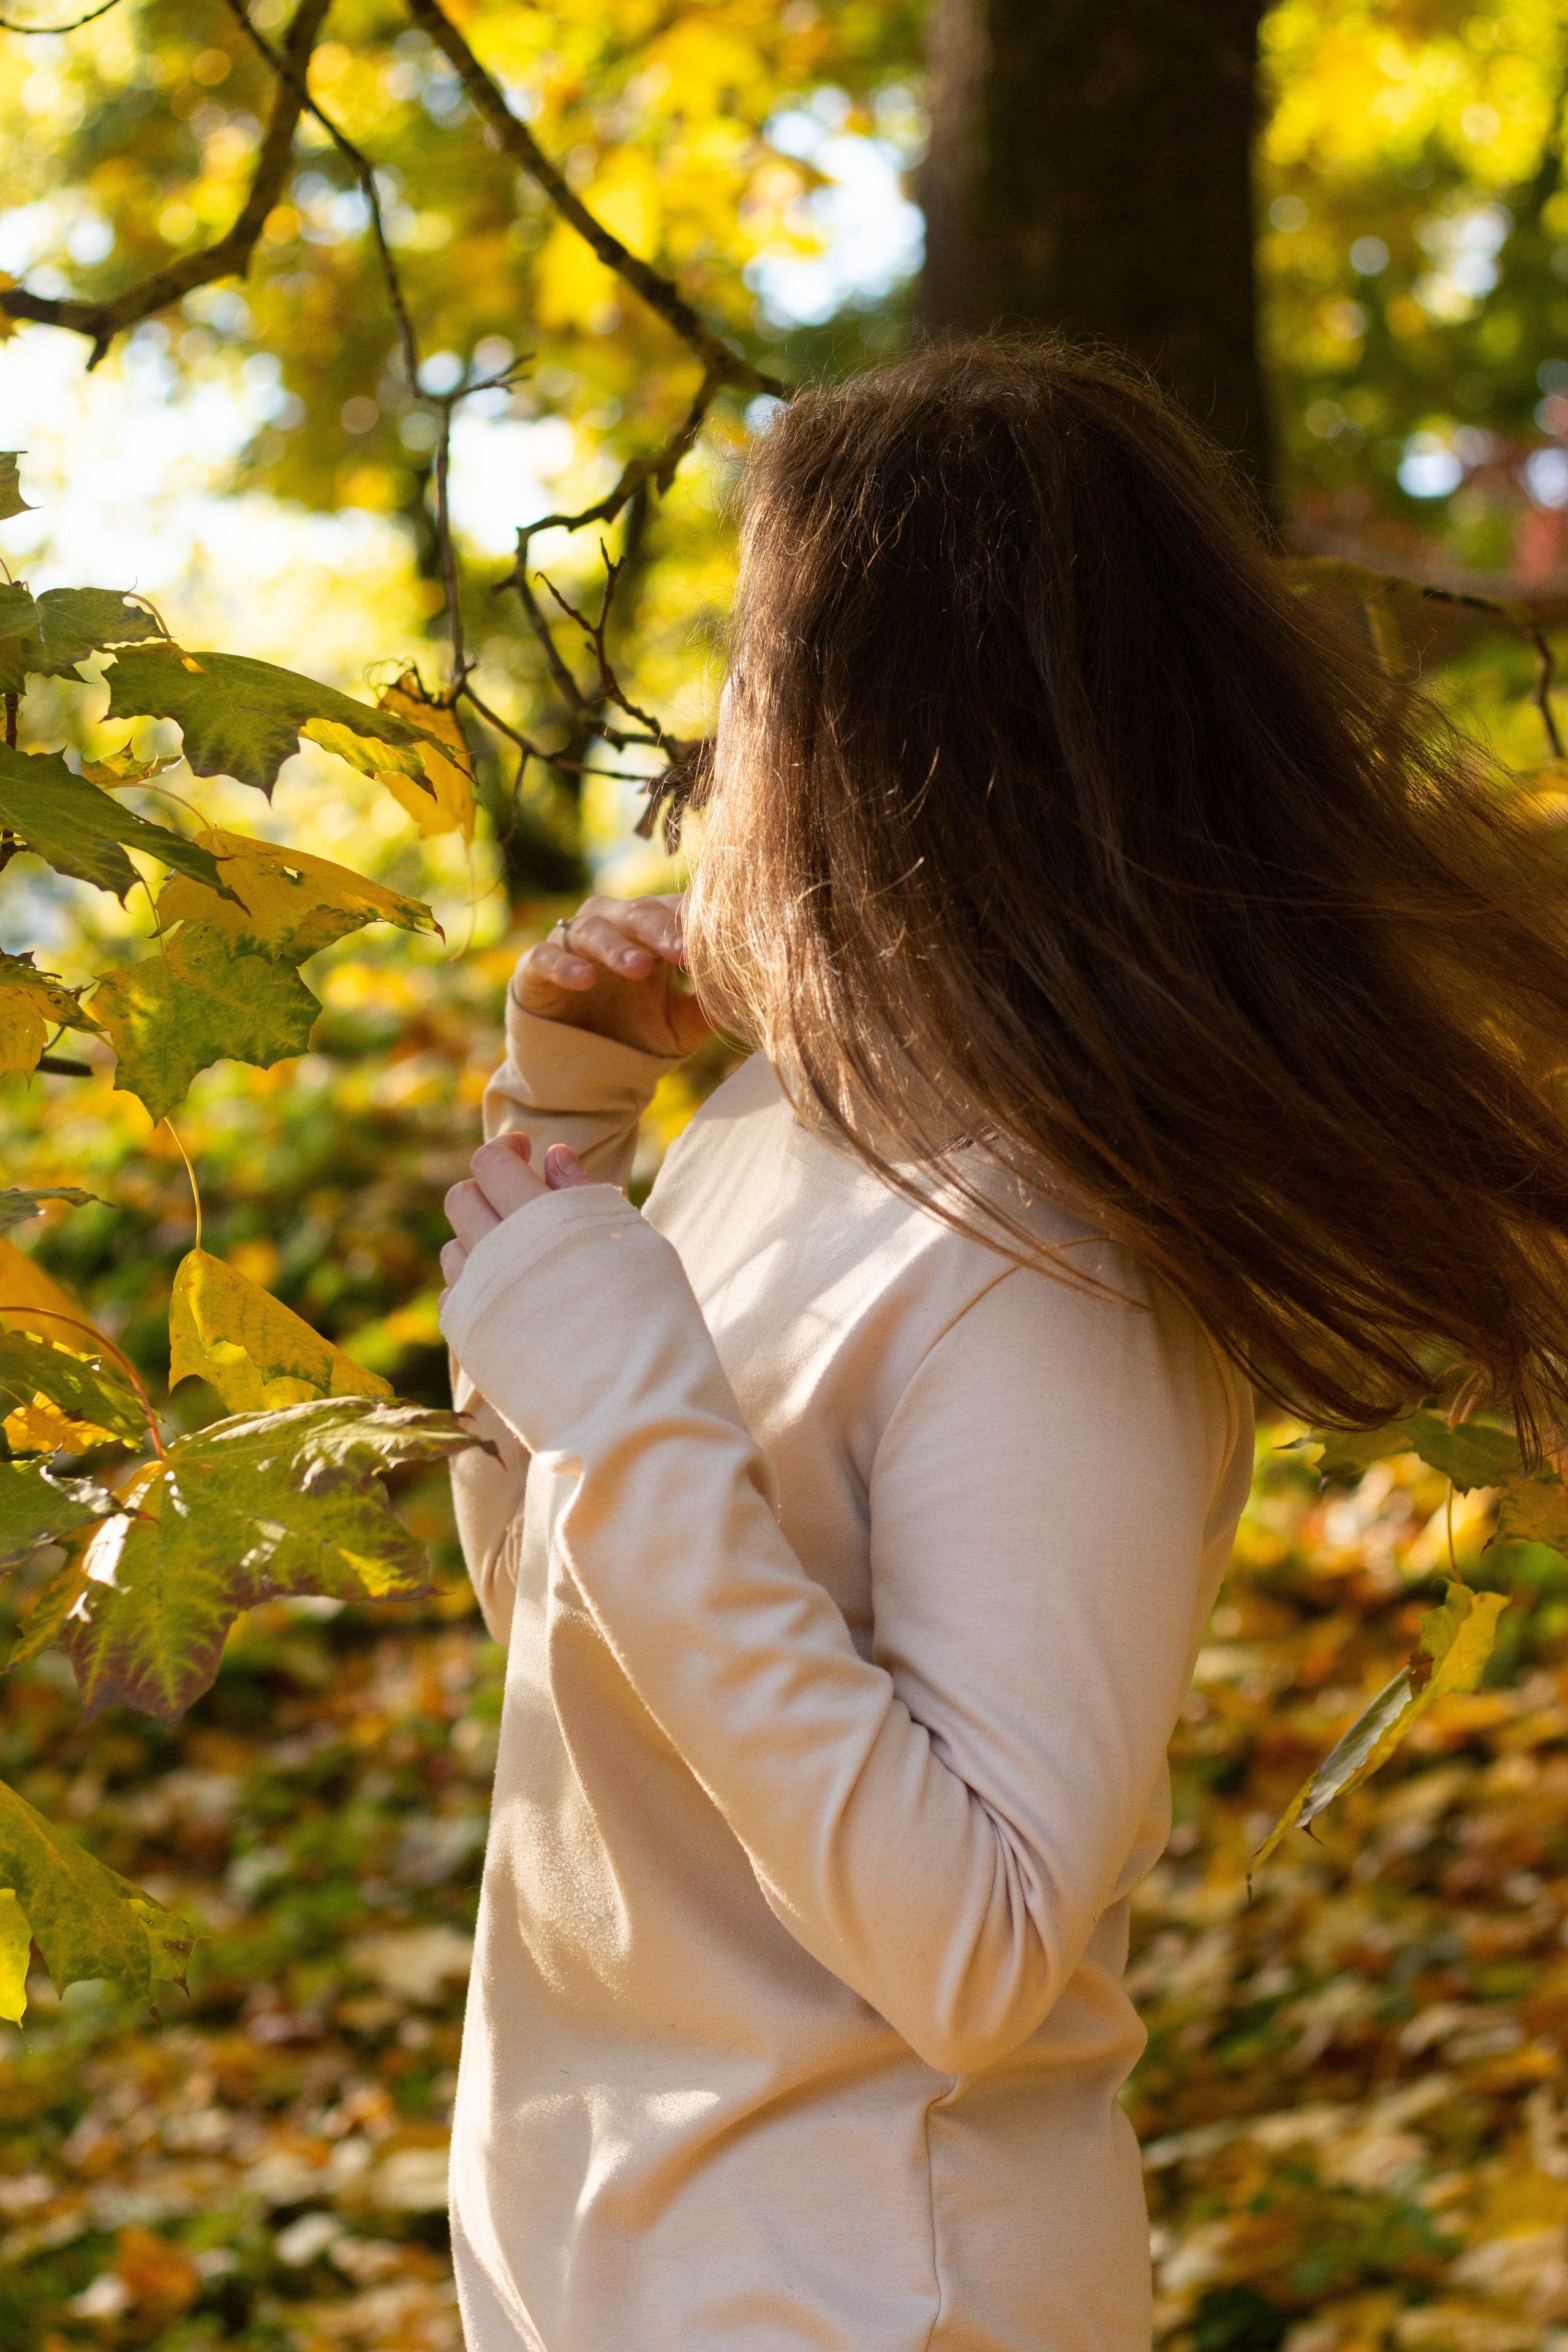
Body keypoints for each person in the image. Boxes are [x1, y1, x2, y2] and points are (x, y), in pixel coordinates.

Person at [437, 341, 1568, 2352]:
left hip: (865, 2295)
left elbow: (975, 1951)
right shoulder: (781, 1129)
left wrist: (620, 1391)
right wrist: (569, 1142)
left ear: (836, 719)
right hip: (596, 2271)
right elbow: (562, 1608)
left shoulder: (1056, 1257)